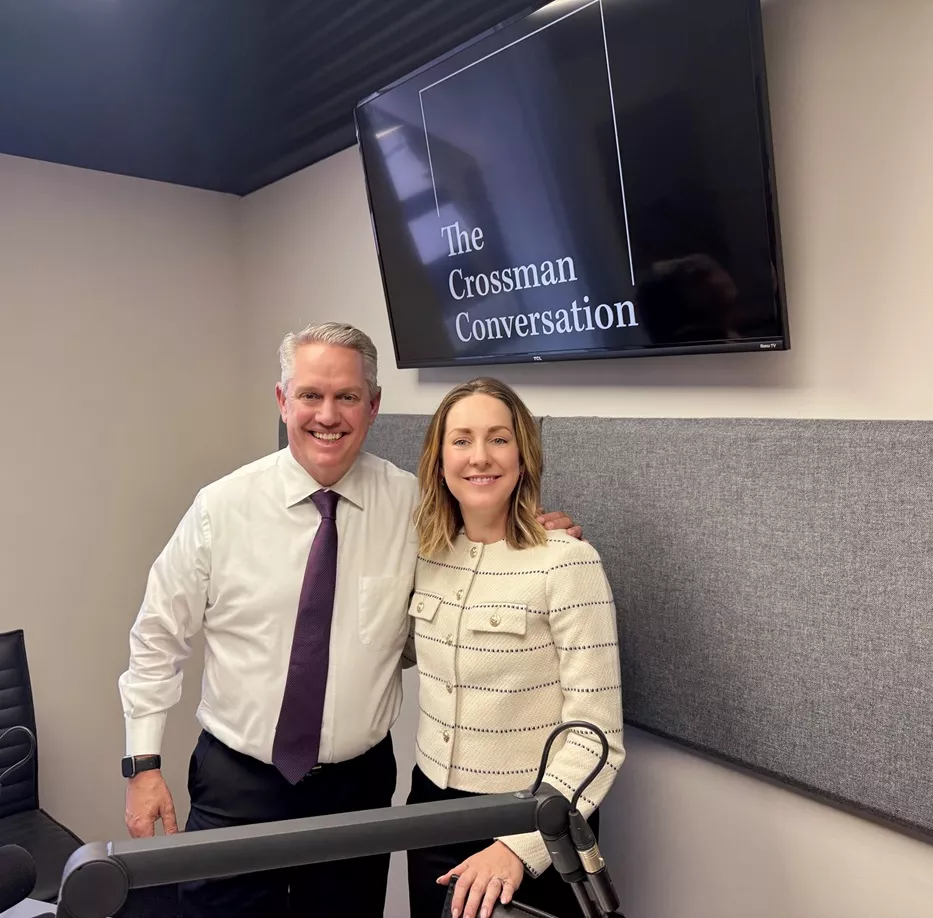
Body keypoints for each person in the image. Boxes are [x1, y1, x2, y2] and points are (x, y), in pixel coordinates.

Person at [117, 322, 580, 918]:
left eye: (347, 396)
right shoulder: (221, 508)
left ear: (374, 405)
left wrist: (533, 535)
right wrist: (143, 765)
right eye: (310, 395)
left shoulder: (416, 507)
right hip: (237, 783)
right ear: (283, 400)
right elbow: (157, 637)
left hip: (356, 789)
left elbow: (476, 559)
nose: (328, 415)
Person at [405, 378, 625, 918]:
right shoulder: (424, 553)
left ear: (523, 457)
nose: (480, 456)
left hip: (537, 823)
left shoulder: (568, 561)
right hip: (429, 812)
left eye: (499, 439)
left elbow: (597, 737)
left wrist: (520, 848)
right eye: (461, 440)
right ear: (439, 461)